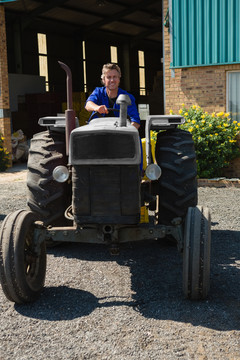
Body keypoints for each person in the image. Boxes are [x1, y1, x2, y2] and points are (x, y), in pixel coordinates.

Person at [85, 63, 140, 129]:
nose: (112, 80)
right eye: (109, 77)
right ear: (103, 80)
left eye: (115, 77)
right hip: (99, 133)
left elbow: (135, 122)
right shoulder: (98, 92)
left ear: (119, 79)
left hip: (121, 135)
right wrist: (97, 108)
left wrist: (125, 133)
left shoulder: (128, 97)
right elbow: (88, 105)